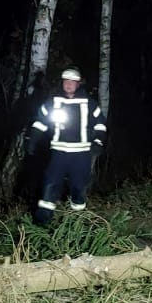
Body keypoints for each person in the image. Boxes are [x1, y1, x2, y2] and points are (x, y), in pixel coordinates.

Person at [28, 68, 107, 224]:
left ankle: (77, 224)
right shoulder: (53, 103)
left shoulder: (89, 104)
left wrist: (98, 142)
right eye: (66, 81)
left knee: (78, 187)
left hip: (81, 154)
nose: (69, 85)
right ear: (62, 83)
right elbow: (40, 122)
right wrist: (32, 140)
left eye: (72, 82)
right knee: (50, 185)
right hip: (59, 153)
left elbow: (100, 124)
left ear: (78, 84)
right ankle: (42, 226)